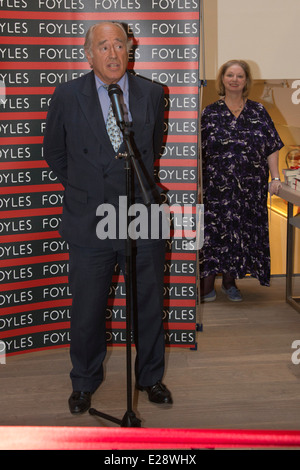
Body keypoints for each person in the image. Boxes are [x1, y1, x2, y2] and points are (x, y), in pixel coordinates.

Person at [43, 21, 172, 414]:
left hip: (141, 214)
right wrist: (85, 189)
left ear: (130, 49)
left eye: (120, 44)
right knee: (87, 307)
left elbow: (151, 148)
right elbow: (54, 152)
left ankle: (150, 377)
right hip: (89, 216)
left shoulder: (152, 92)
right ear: (88, 53)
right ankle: (84, 380)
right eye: (104, 46)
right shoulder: (67, 95)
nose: (114, 53)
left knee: (149, 302)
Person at [200, 60, 284, 302]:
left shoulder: (258, 112)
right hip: (215, 189)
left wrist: (276, 177)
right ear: (222, 79)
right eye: (229, 75)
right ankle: (206, 285)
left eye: (239, 76)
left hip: (249, 188)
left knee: (240, 234)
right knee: (214, 235)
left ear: (246, 81)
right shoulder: (210, 112)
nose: (234, 79)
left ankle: (230, 282)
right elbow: (199, 152)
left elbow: (272, 147)